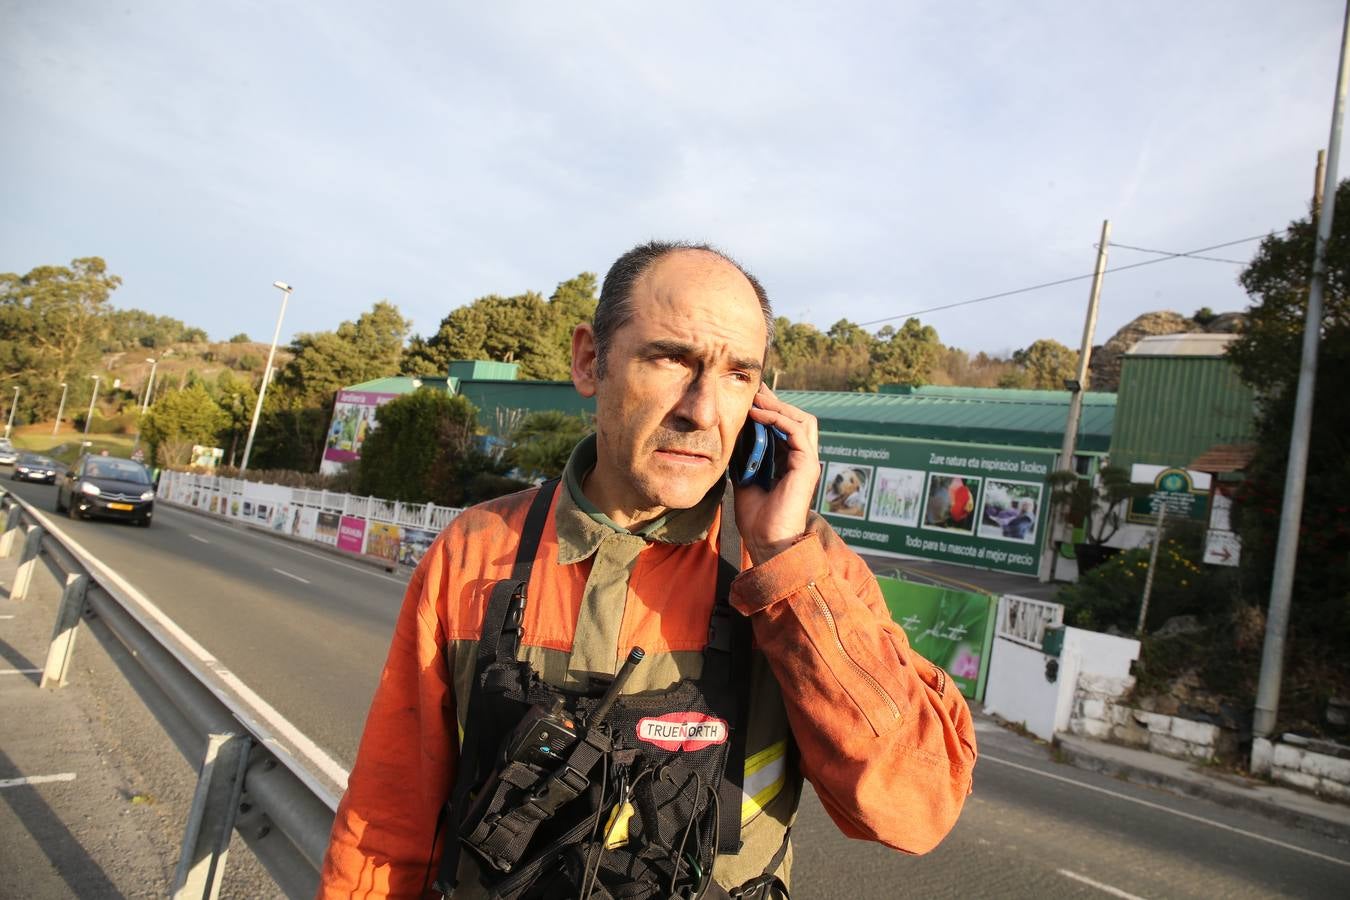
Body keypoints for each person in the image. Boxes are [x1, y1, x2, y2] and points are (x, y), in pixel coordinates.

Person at [319, 241, 977, 899]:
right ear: (588, 360)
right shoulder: (475, 552)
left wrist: (783, 565)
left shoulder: (804, 568)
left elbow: (914, 811)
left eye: (738, 374)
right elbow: (389, 819)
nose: (702, 410)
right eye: (671, 359)